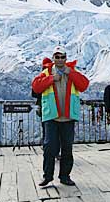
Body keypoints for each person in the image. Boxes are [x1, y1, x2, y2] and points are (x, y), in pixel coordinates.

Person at [32, 46, 89, 187]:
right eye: (57, 57)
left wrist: (70, 73)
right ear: (53, 58)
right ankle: (48, 176)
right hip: (51, 116)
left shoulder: (72, 72)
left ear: (66, 58)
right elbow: (36, 87)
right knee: (49, 147)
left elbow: (84, 85)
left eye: (62, 57)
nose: (59, 59)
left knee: (67, 148)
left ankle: (65, 176)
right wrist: (51, 79)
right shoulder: (46, 73)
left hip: (68, 117)